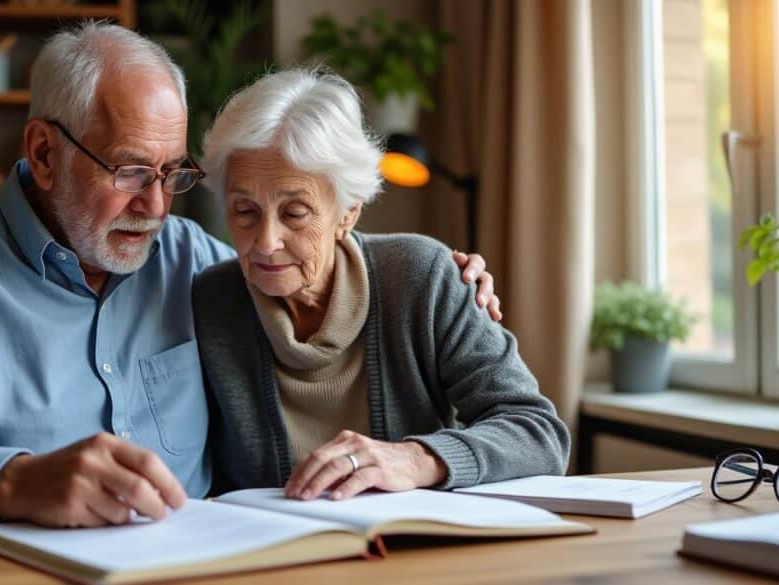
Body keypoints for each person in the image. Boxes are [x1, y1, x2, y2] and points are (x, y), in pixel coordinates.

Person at [0, 24, 498, 527]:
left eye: (173, 173)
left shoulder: (193, 262)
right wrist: (13, 480)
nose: (156, 205)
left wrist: (445, 275)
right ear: (44, 152)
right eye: (130, 171)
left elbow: (302, 244)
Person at [194, 69, 569, 500]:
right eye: (245, 211)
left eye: (294, 213)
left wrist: (413, 459)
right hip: (270, 558)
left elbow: (538, 433)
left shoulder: (420, 278)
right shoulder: (210, 302)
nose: (265, 241)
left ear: (348, 212)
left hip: (410, 555)